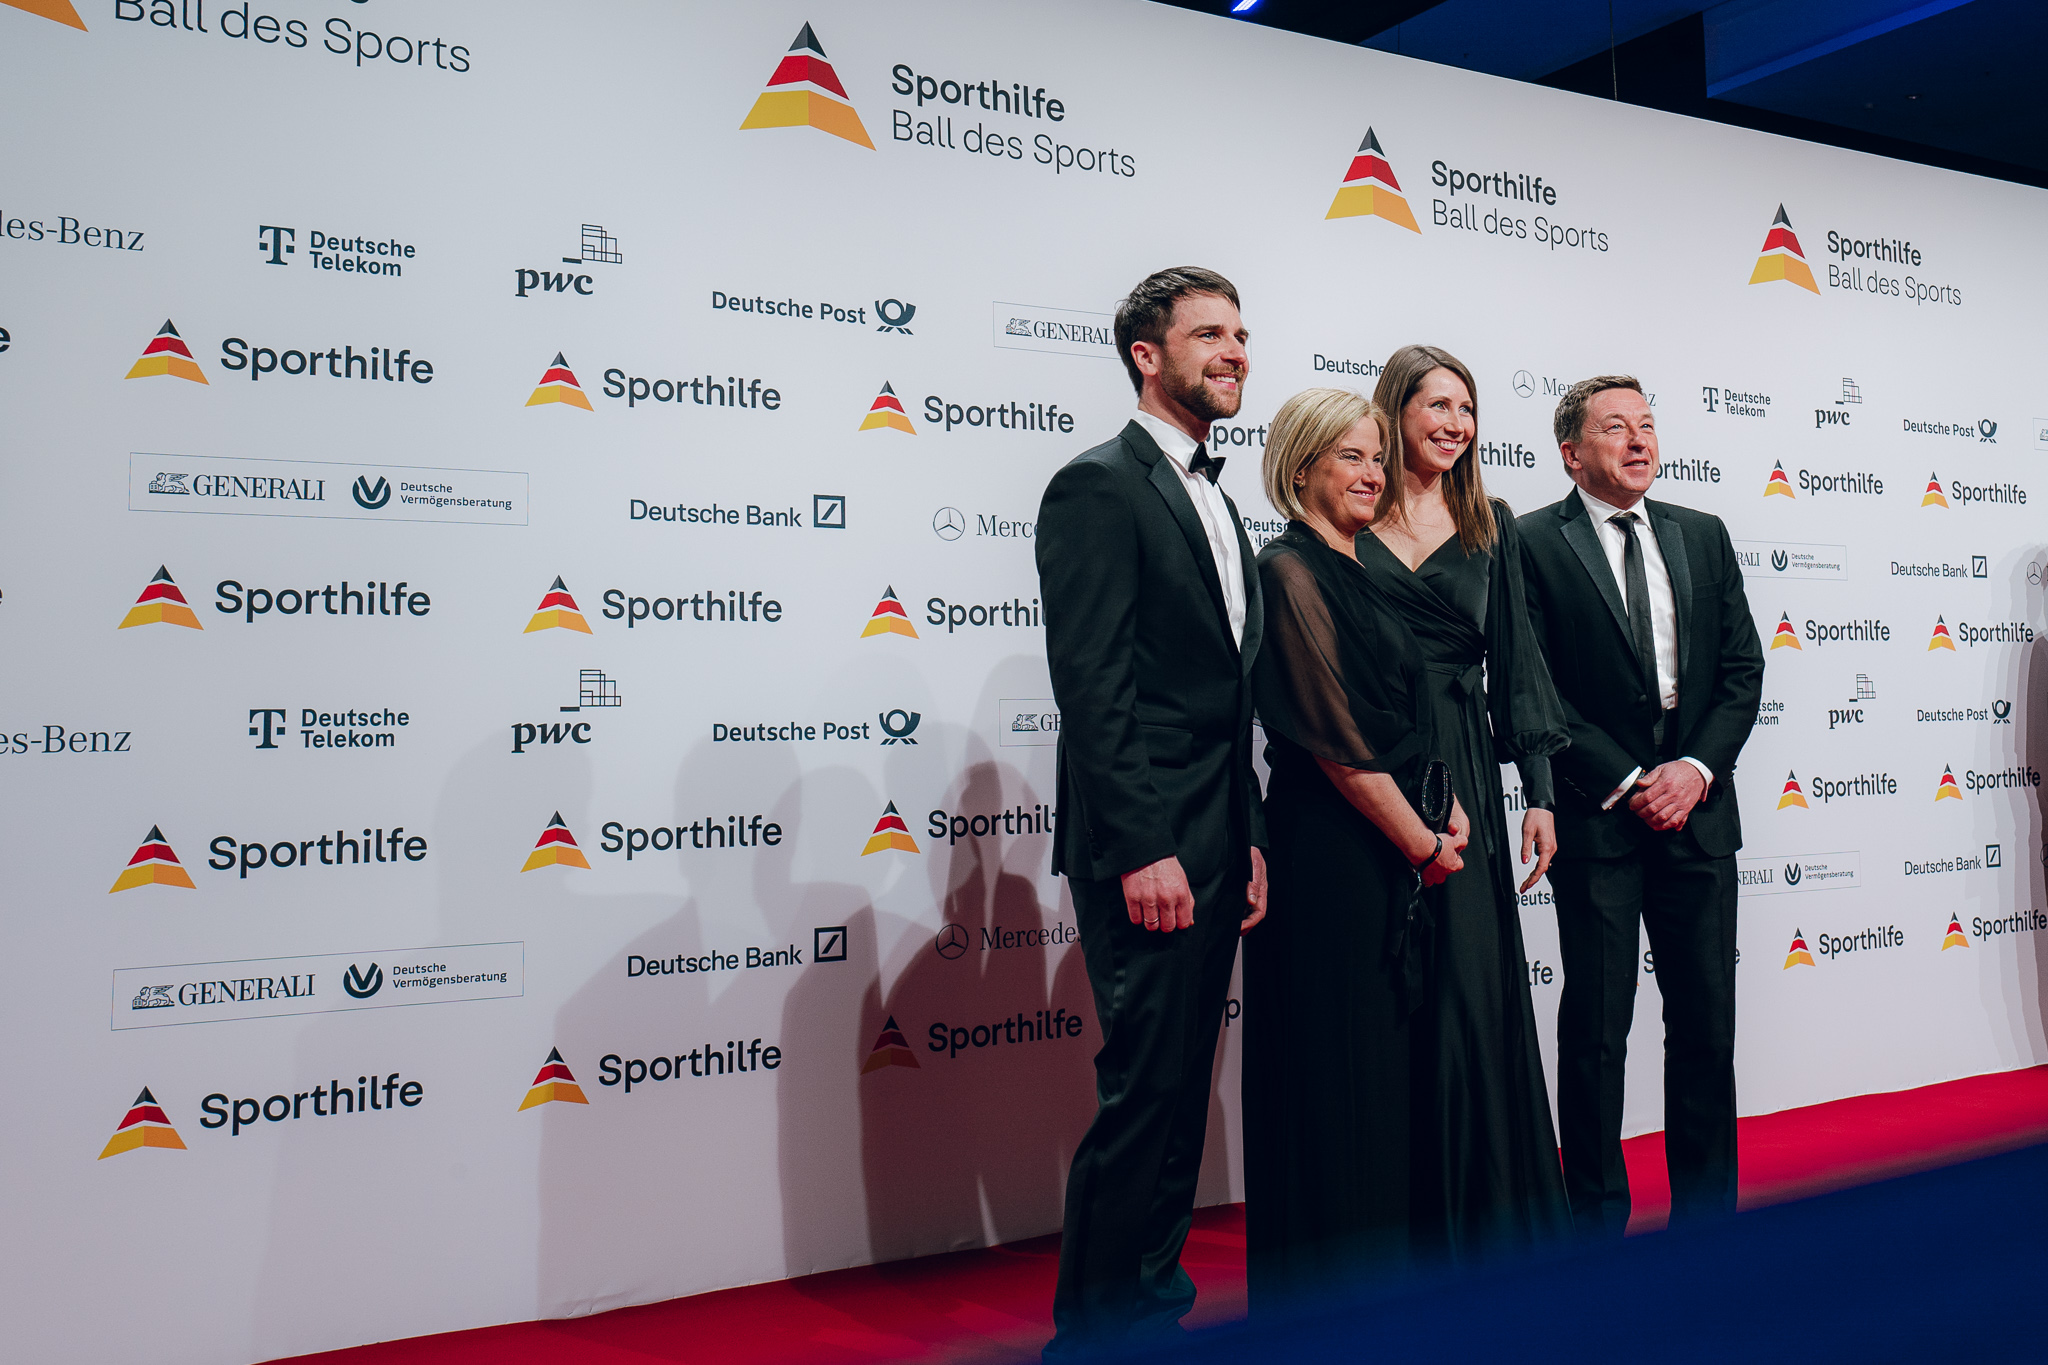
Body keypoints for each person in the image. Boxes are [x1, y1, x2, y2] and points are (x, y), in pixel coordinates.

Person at [1035, 267, 1270, 1356]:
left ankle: (1153, 1312)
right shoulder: (1096, 486)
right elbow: (1092, 685)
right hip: (1148, 847)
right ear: (1146, 354)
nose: (1233, 352)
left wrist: (1250, 836)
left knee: (1180, 1095)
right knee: (1143, 1092)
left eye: (1239, 335)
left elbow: (1224, 697)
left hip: (1220, 836)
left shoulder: (1216, 498)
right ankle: (1088, 1335)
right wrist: (1141, 848)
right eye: (1208, 335)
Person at [1517, 376, 1764, 1237]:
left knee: (1705, 1025)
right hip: (1598, 819)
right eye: (1615, 428)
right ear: (1571, 451)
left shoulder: (1703, 533)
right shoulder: (1530, 543)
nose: (1638, 440)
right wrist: (1627, 778)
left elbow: (1742, 672)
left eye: (1648, 426)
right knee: (1593, 1032)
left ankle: (1707, 1223)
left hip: (1699, 817)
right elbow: (1531, 685)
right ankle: (1593, 1226)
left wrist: (1693, 768)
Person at [1242, 387, 1471, 1305]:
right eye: (1350, 456)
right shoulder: (1290, 569)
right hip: (1331, 859)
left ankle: (1387, 1291)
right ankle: (1327, 1304)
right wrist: (1421, 839)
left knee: (1384, 1074)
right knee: (1334, 1075)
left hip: (1393, 850)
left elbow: (1405, 714)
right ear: (1302, 467)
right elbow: (1334, 739)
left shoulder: (1362, 568)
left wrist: (1443, 805)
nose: (1374, 472)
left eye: (1377, 455)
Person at [1353, 345, 1572, 1260]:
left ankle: (1484, 1212)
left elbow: (1519, 667)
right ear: (1394, 409)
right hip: (1367, 766)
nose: (1454, 424)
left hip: (1467, 772)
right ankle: (1396, 1213)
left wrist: (1540, 794)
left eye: (1466, 409)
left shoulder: (1492, 521)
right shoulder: (1347, 513)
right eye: (1436, 404)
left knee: (1470, 987)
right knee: (1389, 988)